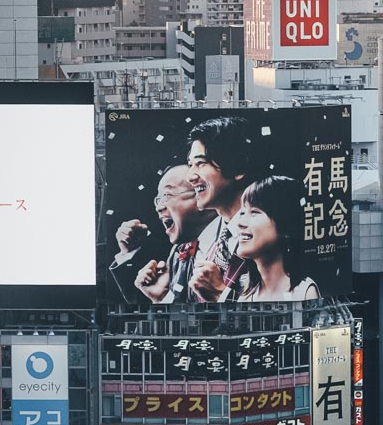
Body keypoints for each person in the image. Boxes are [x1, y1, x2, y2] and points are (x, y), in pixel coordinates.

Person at [109, 165, 215, 305]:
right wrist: (162, 299)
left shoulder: (239, 243)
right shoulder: (177, 253)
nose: (159, 208)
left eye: (167, 195)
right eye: (158, 200)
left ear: (201, 194)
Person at [184, 117, 256, 302]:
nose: (190, 176)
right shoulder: (212, 237)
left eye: (201, 163)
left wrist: (220, 294)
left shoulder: (269, 235)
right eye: (190, 164)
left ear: (237, 167)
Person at [232, 176, 320, 302]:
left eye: (254, 212)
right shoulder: (245, 298)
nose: (240, 223)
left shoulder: (304, 292)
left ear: (286, 227)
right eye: (242, 213)